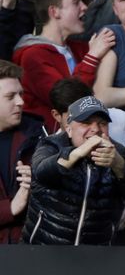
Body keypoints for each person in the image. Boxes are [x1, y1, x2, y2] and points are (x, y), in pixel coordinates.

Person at [21, 95, 125, 245]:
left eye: (102, 123)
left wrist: (118, 164)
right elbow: (41, 173)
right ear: (68, 129)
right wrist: (77, 153)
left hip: (95, 253)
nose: (95, 129)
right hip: (44, 246)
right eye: (86, 123)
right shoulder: (51, 145)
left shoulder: (117, 153)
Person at [12, 0, 115, 132]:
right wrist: (92, 58)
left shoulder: (79, 48)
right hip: (50, 146)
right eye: (76, 2)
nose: (84, 7)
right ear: (55, 12)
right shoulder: (31, 56)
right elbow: (67, 101)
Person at [0, 60, 43, 244]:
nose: (21, 102)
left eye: (21, 94)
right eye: (10, 97)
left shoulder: (39, 135)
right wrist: (10, 208)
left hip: (30, 249)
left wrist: (37, 183)